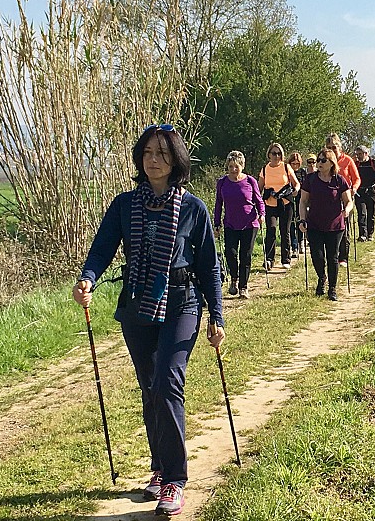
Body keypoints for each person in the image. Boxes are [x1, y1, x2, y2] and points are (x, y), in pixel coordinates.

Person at [73, 124, 224, 517]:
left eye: (162, 153)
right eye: (147, 152)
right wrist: (87, 278)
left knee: (168, 381)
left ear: (176, 160)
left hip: (182, 303)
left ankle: (175, 480)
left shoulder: (193, 208)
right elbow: (102, 248)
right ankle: (159, 466)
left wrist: (217, 316)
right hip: (137, 306)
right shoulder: (125, 205)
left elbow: (209, 266)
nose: (153, 159)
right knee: (150, 388)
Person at [298, 149, 354, 301]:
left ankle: (332, 288)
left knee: (333, 257)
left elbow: (349, 201)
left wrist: (347, 211)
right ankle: (322, 278)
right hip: (314, 224)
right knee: (317, 255)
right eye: (319, 160)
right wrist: (302, 219)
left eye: (323, 160)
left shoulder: (339, 180)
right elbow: (303, 201)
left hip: (335, 225)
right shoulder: (310, 179)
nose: (319, 163)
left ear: (332, 163)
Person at [213, 150, 265, 299]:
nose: (233, 170)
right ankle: (234, 278)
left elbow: (258, 200)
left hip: (249, 223)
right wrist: (217, 223)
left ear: (242, 166)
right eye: (230, 166)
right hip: (230, 223)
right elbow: (218, 204)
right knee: (230, 252)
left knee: (246, 254)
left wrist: (262, 214)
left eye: (236, 166)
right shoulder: (222, 182)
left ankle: (243, 286)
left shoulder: (250, 181)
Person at [258, 142, 300, 270]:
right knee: (271, 229)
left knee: (285, 230)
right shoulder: (265, 169)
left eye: (279, 153)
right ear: (269, 155)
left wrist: (295, 190)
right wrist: (256, 201)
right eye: (274, 153)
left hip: (285, 203)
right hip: (270, 204)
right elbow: (259, 188)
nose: (276, 156)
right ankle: (269, 259)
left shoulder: (286, 167)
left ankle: (285, 259)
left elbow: (296, 183)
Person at [323, 133, 360, 267]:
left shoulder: (347, 160)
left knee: (343, 227)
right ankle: (332, 254)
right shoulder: (324, 161)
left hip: (346, 198)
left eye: (334, 147)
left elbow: (356, 179)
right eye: (329, 147)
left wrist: (353, 189)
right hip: (329, 199)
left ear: (340, 146)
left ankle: (343, 257)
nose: (332, 150)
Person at [353, 145, 375, 241]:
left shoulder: (374, 163)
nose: (358, 156)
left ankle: (370, 234)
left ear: (366, 153)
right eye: (357, 154)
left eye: (360, 154)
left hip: (372, 190)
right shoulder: (356, 164)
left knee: (371, 212)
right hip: (359, 191)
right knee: (361, 213)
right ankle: (362, 234)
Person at [287, 152, 306, 258]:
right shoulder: (287, 172)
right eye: (293, 163)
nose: (295, 166)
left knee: (300, 221)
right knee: (291, 224)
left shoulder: (303, 173)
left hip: (301, 199)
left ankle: (301, 242)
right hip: (289, 199)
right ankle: (294, 247)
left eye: (297, 164)